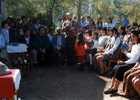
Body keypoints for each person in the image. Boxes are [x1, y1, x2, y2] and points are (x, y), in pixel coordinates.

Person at [104, 29, 140, 94]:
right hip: (131, 62)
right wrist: (126, 53)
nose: (132, 38)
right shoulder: (134, 45)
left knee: (120, 68)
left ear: (138, 37)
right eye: (131, 36)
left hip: (135, 64)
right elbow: (132, 56)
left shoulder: (139, 46)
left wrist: (124, 62)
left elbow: (135, 59)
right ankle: (112, 87)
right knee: (116, 67)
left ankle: (115, 89)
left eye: (133, 36)